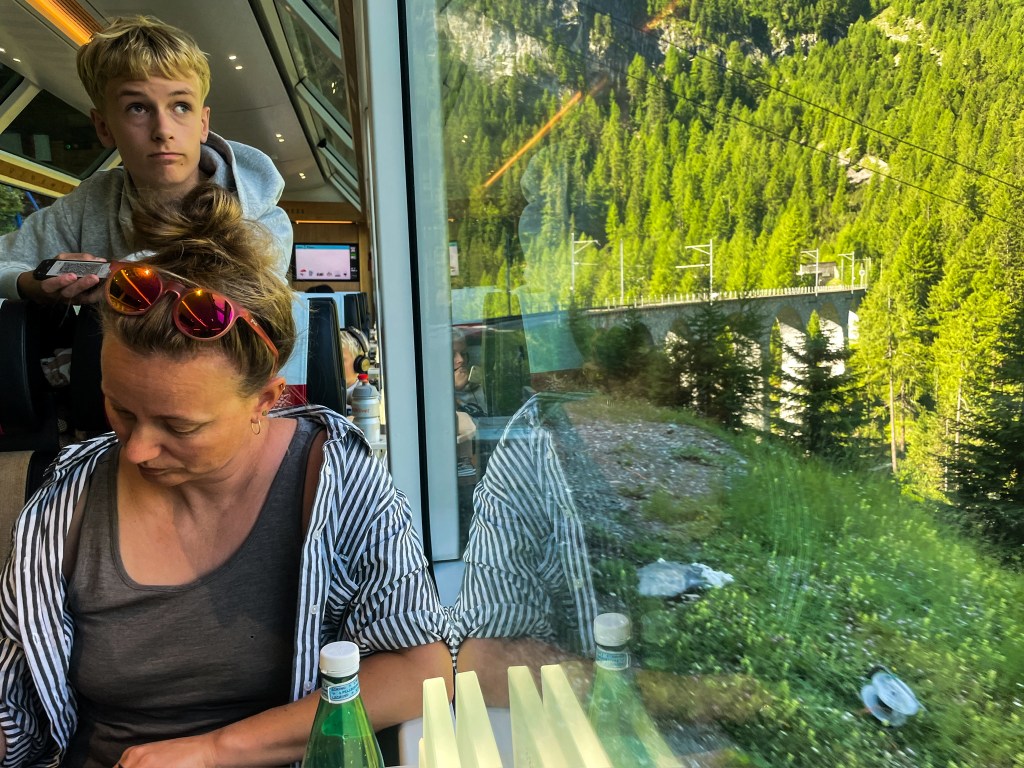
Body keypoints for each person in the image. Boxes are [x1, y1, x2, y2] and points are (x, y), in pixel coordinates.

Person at [0, 184, 451, 767]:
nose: (136, 451)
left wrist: (213, 751)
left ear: (266, 399)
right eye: (120, 409)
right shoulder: (63, 502)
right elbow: (17, 706)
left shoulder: (337, 483)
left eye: (179, 426)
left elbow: (421, 669)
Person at [0, 15, 292, 303]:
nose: (163, 130)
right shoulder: (90, 204)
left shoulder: (261, 218)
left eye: (181, 106)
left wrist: (118, 276)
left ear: (203, 124)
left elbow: (251, 309)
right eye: (137, 108)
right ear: (104, 127)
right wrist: (30, 284)